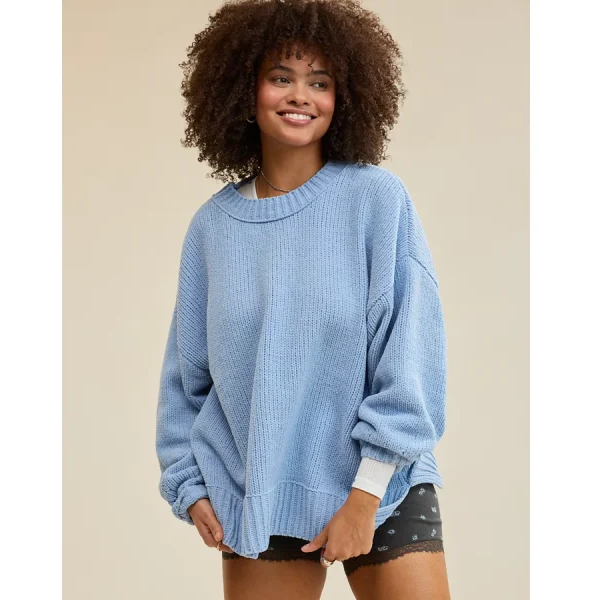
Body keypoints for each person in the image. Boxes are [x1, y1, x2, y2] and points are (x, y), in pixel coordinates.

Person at [155, 1, 451, 598]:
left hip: (382, 487)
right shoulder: (212, 229)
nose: (300, 96)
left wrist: (365, 496)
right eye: (281, 77)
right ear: (245, 90)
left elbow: (410, 356)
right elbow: (187, 378)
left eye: (320, 82)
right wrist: (189, 485)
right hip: (257, 490)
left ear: (344, 97)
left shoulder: (376, 201)